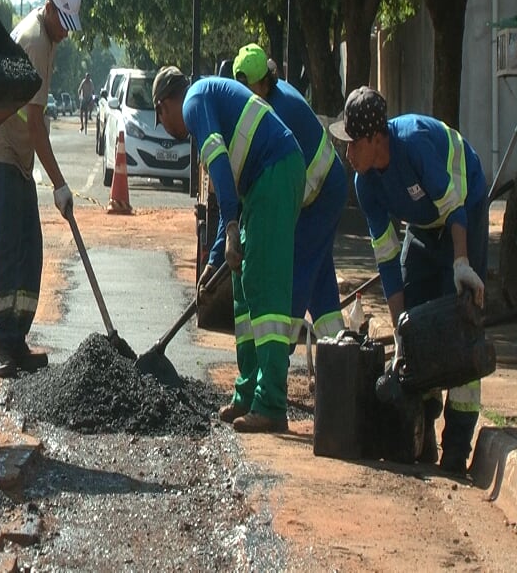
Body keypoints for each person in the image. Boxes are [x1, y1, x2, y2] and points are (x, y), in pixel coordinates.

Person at [329, 86, 488, 474]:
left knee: (462, 326)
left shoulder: (415, 142)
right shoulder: (365, 184)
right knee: (417, 325)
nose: (348, 155)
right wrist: (401, 328)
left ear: (375, 138)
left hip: (464, 210)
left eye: (353, 145)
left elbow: (453, 207)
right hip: (422, 225)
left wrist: (461, 264)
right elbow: (386, 256)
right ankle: (424, 428)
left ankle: (457, 445)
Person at [153, 66, 305, 433]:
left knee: (265, 288)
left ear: (164, 104)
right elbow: (227, 196)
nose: (168, 127)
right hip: (258, 183)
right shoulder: (208, 101)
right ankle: (248, 391)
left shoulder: (194, 102)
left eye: (161, 118)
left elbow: (219, 164)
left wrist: (234, 225)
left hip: (276, 172)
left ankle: (271, 403)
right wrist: (215, 259)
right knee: (240, 285)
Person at [0, 0, 82, 378]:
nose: (67, 34)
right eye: (64, 24)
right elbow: (34, 124)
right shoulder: (37, 39)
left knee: (29, 248)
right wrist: (59, 183)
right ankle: (2, 344)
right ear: (51, 7)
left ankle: (17, 340)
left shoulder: (49, 35)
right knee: (9, 246)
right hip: (1, 152)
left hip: (18, 157)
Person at [233, 43, 346, 345]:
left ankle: (278, 353)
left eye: (251, 86)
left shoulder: (276, 111)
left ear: (265, 81)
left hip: (322, 192)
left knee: (298, 266)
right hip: (314, 193)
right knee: (319, 272)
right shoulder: (269, 101)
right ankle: (340, 348)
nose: (247, 93)